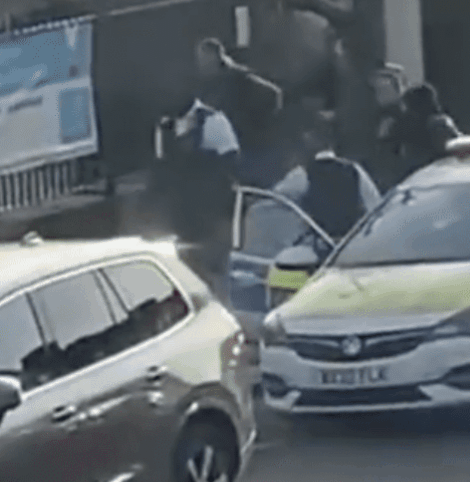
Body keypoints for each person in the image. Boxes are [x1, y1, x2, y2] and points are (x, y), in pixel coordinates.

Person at [149, 99, 241, 298]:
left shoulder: (213, 120)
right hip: (180, 219)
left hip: (211, 217)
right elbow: (162, 171)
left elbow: (231, 165)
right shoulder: (164, 126)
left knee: (217, 277)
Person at [274, 110, 381, 241]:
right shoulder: (355, 171)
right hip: (349, 246)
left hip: (317, 248)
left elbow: (274, 201)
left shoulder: (302, 175)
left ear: (309, 137)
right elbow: (376, 209)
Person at [196, 38, 284, 188]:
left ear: (217, 58)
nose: (201, 64)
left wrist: (259, 124)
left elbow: (274, 94)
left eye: (205, 59)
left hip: (249, 146)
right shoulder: (208, 83)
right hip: (225, 147)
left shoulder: (238, 78)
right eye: (200, 59)